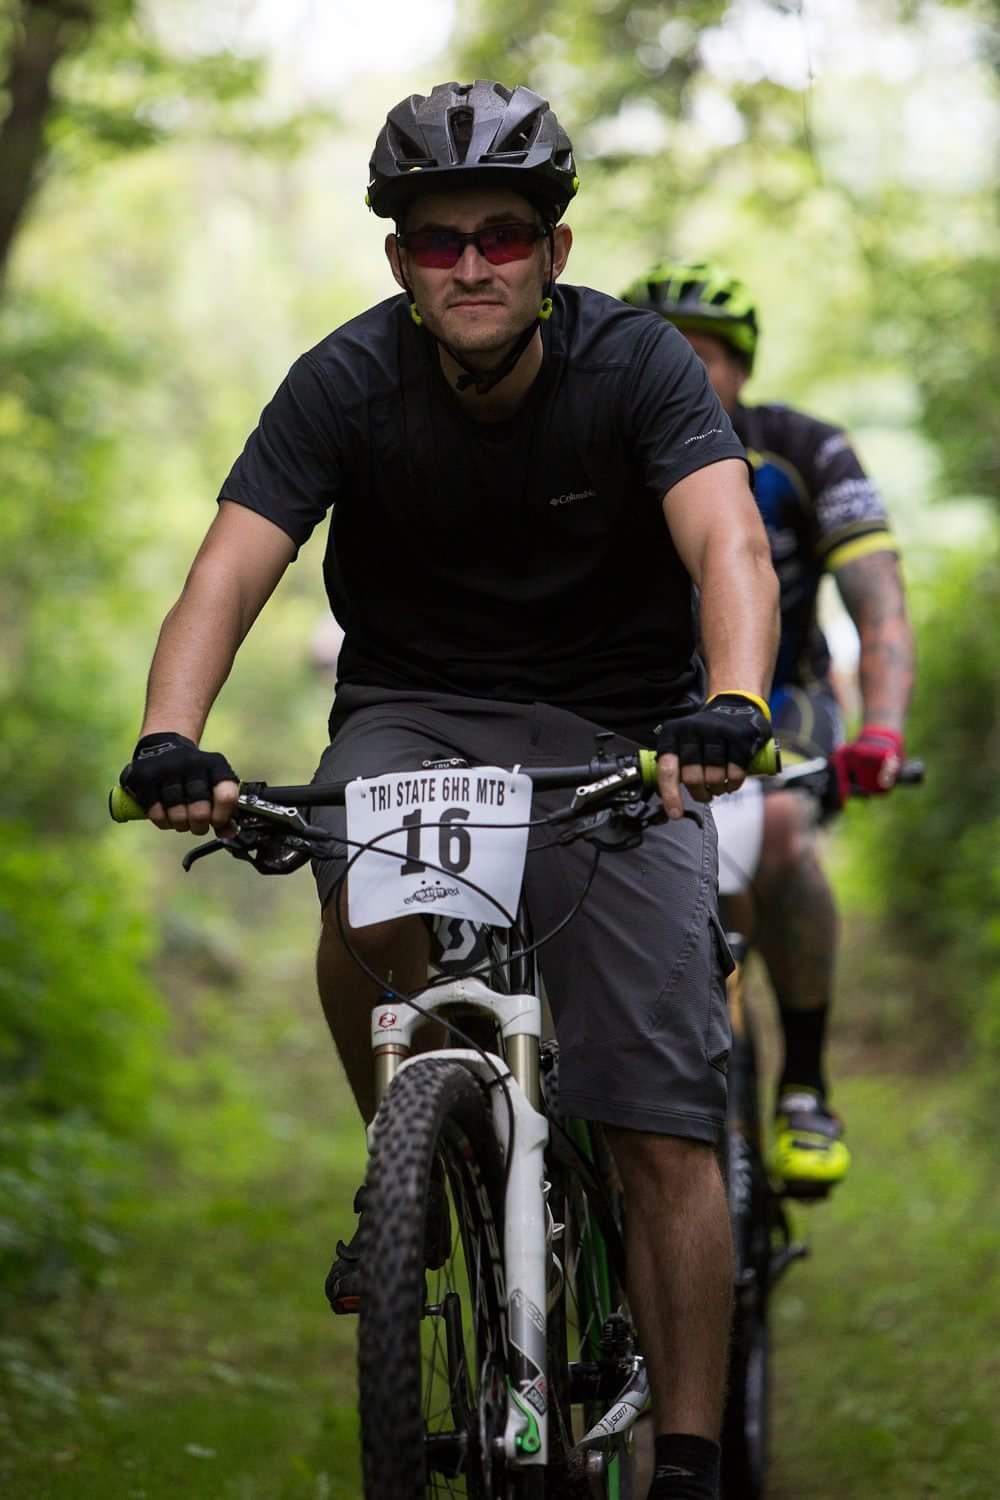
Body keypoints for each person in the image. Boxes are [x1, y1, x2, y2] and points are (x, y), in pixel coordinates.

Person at [120, 85, 779, 1500]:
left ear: (553, 248)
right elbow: (230, 567)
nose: (470, 265)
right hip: (415, 719)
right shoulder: (345, 384)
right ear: (398, 261)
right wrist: (173, 735)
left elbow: (730, 542)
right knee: (348, 873)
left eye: (502, 235)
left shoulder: (639, 368)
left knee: (661, 1107)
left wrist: (731, 703)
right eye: (437, 243)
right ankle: (410, 1170)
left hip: (620, 728)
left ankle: (687, 1459)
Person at [621, 261, 915, 1196]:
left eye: (705, 354)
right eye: (664, 350)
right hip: (632, 714)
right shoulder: (596, 447)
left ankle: (804, 1086)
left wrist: (883, 730)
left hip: (778, 713)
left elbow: (879, 609)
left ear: (742, 369)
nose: (686, 371)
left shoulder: (803, 451)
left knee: (785, 835)